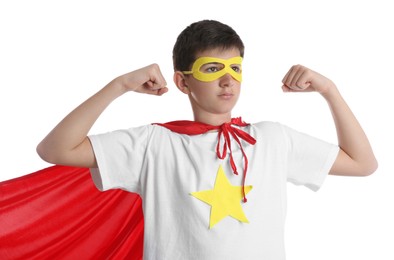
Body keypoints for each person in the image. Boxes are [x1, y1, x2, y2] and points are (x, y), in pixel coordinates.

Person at [36, 19, 378, 259]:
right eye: (212, 69)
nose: (228, 81)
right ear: (183, 82)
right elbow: (55, 149)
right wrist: (119, 86)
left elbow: (363, 164)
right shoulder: (155, 144)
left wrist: (330, 91)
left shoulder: (273, 139)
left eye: (235, 68)